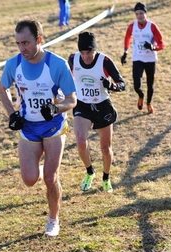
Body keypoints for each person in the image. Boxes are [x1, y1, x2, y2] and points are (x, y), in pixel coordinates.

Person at [0, 19, 77, 237]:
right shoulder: (13, 64)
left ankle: (53, 220)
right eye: (18, 44)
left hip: (53, 127)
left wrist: (56, 109)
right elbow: (1, 88)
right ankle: (41, 169)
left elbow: (72, 100)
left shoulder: (57, 64)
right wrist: (12, 115)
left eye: (26, 43)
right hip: (28, 127)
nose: (22, 49)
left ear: (39, 40)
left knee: (51, 178)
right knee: (30, 180)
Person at [68, 31, 126, 193]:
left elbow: (122, 83)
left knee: (105, 148)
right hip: (82, 106)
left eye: (89, 52)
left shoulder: (105, 61)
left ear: (95, 50)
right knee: (80, 141)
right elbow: (67, 79)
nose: (86, 57)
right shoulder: (73, 59)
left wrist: (112, 86)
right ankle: (89, 172)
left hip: (102, 106)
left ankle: (106, 178)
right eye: (83, 53)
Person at [120, 2, 164, 114]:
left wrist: (153, 47)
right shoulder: (132, 26)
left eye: (141, 13)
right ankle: (141, 95)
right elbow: (127, 38)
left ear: (145, 13)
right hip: (137, 58)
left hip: (150, 59)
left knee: (150, 84)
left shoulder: (152, 26)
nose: (139, 16)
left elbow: (161, 44)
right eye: (137, 14)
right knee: (136, 85)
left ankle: (149, 103)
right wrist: (125, 52)